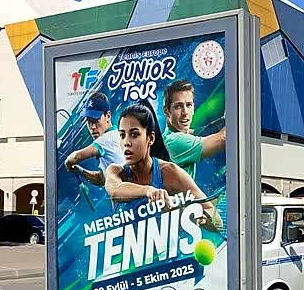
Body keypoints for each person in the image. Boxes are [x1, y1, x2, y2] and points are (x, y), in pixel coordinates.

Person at [105, 102, 223, 231]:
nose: (126, 142)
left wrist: (187, 213)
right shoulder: (115, 171)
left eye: (134, 135)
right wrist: (149, 191)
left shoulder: (170, 172)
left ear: (150, 138)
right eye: (122, 135)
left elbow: (217, 221)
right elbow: (114, 191)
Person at [161, 79, 226, 181]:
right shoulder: (174, 141)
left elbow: (202, 132)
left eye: (189, 105)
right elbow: (223, 139)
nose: (185, 112)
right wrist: (237, 110)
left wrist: (224, 120)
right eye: (178, 106)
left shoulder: (175, 135)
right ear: (166, 111)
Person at [63, 92, 123, 187]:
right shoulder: (115, 135)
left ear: (108, 115)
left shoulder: (106, 139)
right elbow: (101, 180)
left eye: (96, 120)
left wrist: (68, 162)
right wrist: (79, 170)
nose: (93, 127)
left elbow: (76, 157)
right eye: (89, 121)